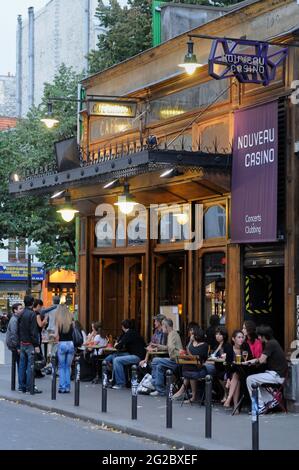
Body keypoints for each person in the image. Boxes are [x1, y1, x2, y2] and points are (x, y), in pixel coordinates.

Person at [246, 325, 288, 413]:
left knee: (250, 379)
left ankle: (259, 407)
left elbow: (261, 360)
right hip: (277, 374)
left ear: (264, 336)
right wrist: (248, 362)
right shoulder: (272, 343)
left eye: (259, 336)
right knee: (256, 382)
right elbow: (263, 359)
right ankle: (272, 398)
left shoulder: (270, 344)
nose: (258, 337)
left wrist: (249, 362)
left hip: (277, 375)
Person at [172, 325, 208, 403]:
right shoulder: (192, 343)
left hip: (199, 367)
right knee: (178, 367)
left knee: (190, 370)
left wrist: (188, 353)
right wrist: (190, 342)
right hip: (190, 365)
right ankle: (184, 392)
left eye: (193, 334)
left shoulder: (204, 345)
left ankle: (188, 394)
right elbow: (187, 350)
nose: (191, 335)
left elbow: (196, 357)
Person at [106, 319, 146, 389]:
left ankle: (121, 383)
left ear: (122, 327)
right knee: (112, 356)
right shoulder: (130, 333)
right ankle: (113, 379)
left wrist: (116, 344)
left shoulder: (129, 333)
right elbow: (120, 341)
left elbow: (119, 345)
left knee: (117, 360)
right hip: (133, 354)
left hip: (137, 356)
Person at [150, 318, 183, 397]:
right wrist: (158, 346)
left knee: (155, 360)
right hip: (178, 360)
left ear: (166, 326)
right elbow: (169, 347)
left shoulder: (171, 334)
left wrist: (171, 355)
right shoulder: (173, 333)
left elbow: (171, 347)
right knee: (159, 367)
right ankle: (160, 390)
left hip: (175, 360)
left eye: (162, 326)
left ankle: (153, 383)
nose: (161, 328)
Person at [223, 330, 252, 411]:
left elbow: (250, 359)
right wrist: (228, 378)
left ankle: (229, 398)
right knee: (236, 378)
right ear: (233, 339)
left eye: (242, 337)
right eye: (239, 337)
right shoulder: (229, 348)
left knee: (236, 374)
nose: (241, 339)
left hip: (245, 371)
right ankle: (236, 407)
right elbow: (228, 365)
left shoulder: (245, 346)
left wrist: (244, 362)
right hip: (234, 373)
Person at [19, 295, 42, 394]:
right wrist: (36, 345)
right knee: (30, 366)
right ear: (32, 303)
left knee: (22, 365)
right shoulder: (32, 314)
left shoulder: (21, 313)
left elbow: (18, 329)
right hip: (30, 344)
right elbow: (33, 332)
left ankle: (21, 386)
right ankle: (29, 387)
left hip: (22, 342)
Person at [55, 304, 75, 393]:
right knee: (68, 366)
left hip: (62, 344)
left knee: (61, 367)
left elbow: (56, 335)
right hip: (71, 344)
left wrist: (52, 336)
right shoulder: (71, 320)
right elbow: (74, 332)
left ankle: (62, 387)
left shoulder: (58, 321)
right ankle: (67, 387)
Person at [6, 303, 23, 391]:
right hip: (14, 346)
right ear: (15, 310)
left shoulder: (17, 318)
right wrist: (17, 347)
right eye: (20, 308)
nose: (22, 310)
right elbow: (14, 335)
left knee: (20, 364)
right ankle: (21, 385)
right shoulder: (14, 320)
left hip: (15, 345)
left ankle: (21, 384)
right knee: (20, 364)